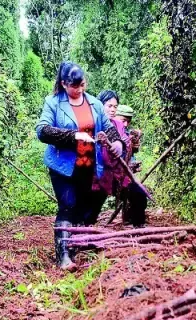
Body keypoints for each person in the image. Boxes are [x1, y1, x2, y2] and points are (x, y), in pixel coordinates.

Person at [36, 62, 125, 270]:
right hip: (62, 166)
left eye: (82, 85)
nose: (79, 90)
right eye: (74, 86)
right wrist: (73, 135)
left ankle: (75, 246)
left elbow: (108, 127)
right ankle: (63, 256)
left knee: (81, 207)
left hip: (87, 165)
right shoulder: (53, 103)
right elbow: (42, 131)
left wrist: (118, 142)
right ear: (64, 84)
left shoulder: (93, 103)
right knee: (67, 204)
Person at [95, 91, 148, 227]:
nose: (112, 110)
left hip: (119, 176)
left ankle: (139, 228)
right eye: (109, 106)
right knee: (91, 207)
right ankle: (82, 230)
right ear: (100, 106)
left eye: (115, 107)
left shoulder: (118, 125)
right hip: (98, 175)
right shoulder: (93, 123)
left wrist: (132, 145)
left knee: (139, 193)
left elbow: (125, 144)